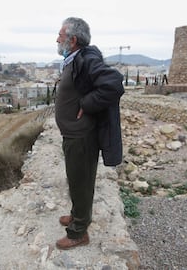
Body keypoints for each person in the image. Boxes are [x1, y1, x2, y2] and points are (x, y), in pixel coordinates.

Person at [54, 17, 125, 250]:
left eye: (61, 35)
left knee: (81, 183)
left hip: (82, 136)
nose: (57, 39)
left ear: (73, 40)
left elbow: (114, 84)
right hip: (73, 135)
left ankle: (78, 233)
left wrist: (88, 103)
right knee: (76, 180)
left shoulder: (87, 58)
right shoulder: (74, 60)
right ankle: (77, 216)